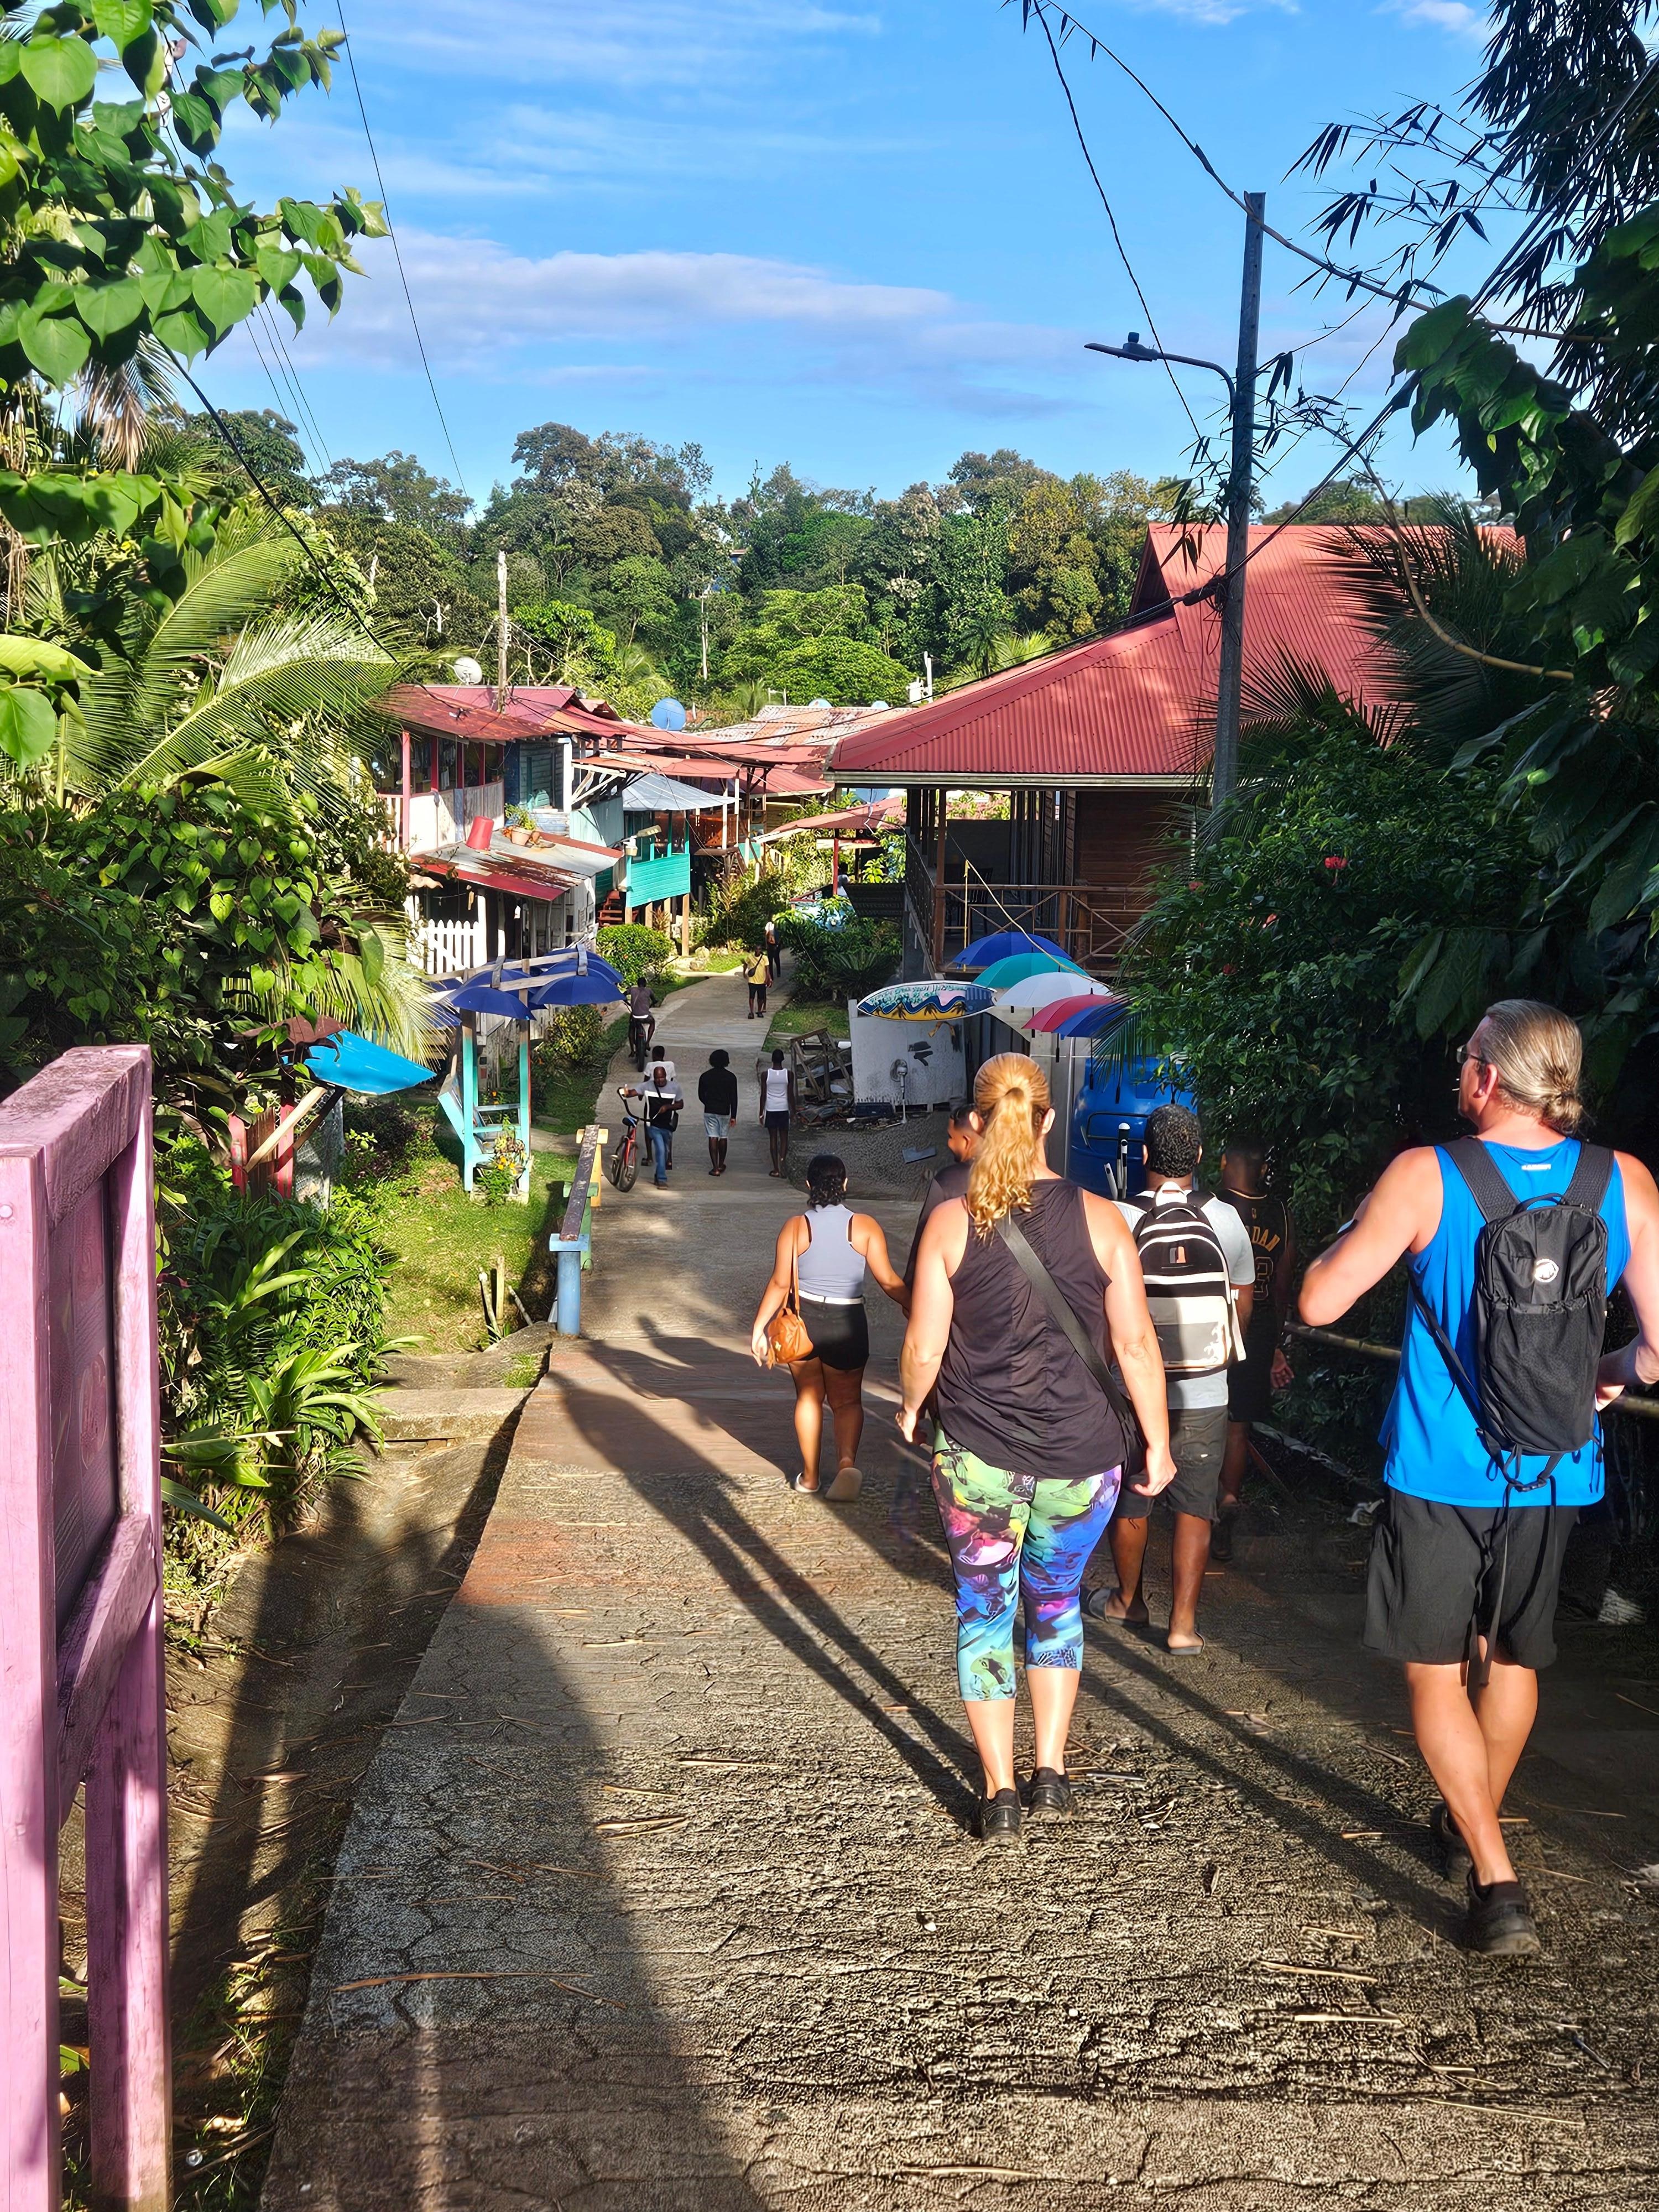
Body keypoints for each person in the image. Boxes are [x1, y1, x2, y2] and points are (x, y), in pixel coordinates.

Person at [1300, 999, 1659, 1957]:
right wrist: (1611, 1379)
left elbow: (1319, 1297)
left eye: (1466, 1058)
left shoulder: (1427, 1176)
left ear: (1488, 1078)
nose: (1459, 1071)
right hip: (1556, 1469)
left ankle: (1497, 1879)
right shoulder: (1623, 1182)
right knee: (1511, 1658)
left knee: (1433, 1667)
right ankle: (1471, 1823)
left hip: (1439, 1464)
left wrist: (1348, 1236)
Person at [900, 1055, 1175, 1843]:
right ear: (1050, 1120)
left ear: (978, 1126)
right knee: (1056, 1607)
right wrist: (1156, 1443)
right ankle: (1050, 1771)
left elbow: (924, 1345)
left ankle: (999, 1793)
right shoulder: (1105, 1219)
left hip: (980, 1456)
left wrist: (914, 1408)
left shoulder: (953, 1221)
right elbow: (1136, 1346)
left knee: (986, 1611)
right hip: (1084, 1461)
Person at [1086, 1103, 1254, 1654]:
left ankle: (1128, 1601)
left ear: (1143, 1155)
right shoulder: (1226, 1219)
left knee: (1134, 1499)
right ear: (1201, 1157)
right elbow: (1242, 1304)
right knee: (1194, 1506)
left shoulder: (1118, 1217)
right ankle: (1183, 1626)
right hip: (1207, 1387)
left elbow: (1101, 1304)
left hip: (1136, 1389)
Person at [750, 1153, 909, 1501]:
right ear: (845, 1184)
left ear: (808, 1186)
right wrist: (917, 1307)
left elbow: (779, 1283)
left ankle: (809, 1477)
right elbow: (888, 1281)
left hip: (804, 1323)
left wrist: (760, 1328)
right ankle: (846, 1464)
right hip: (848, 1324)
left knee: (808, 1398)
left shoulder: (795, 1227)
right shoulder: (864, 1226)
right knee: (848, 1402)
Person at [1212, 1135, 1297, 1563]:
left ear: (1225, 1161)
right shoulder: (1280, 1213)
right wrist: (1275, 1345)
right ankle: (1227, 1501)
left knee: (1195, 1416)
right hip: (1258, 1333)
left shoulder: (1210, 1207)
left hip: (1210, 1329)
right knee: (1237, 1428)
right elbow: (1282, 1288)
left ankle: (1189, 1502)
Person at [903, 1103, 979, 1292]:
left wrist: (910, 1285)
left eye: (951, 1137)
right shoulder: (1014, 1175)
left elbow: (925, 1235)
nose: (949, 1144)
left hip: (956, 1285)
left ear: (967, 1141)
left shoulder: (949, 1181)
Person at [619, 1063, 682, 1188]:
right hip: (653, 1124)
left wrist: (668, 1107)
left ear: (666, 1077)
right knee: (661, 1149)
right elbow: (633, 1093)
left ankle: (658, 1174)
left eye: (662, 1078)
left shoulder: (675, 1088)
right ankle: (662, 1179)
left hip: (668, 1125)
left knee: (664, 1153)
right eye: (657, 1078)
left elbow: (680, 1105)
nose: (659, 1081)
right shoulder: (647, 1086)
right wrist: (625, 1092)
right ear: (654, 1078)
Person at [698, 1047, 738, 1176]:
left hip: (710, 1110)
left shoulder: (705, 1076)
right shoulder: (731, 1078)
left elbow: (701, 1095)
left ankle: (714, 1167)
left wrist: (708, 1103)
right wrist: (734, 1116)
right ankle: (721, 1164)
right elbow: (734, 1098)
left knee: (712, 1136)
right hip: (725, 1110)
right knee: (724, 1136)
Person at [759, 1046, 795, 1177]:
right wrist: (794, 1112)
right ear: (783, 1060)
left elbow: (763, 1095)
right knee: (784, 1138)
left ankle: (776, 1169)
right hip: (784, 1109)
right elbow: (791, 1095)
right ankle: (783, 1162)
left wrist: (761, 1113)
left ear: (772, 1060)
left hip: (771, 1109)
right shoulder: (789, 1075)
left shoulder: (765, 1075)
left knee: (773, 1138)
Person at [627, 978, 656, 1068]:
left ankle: (632, 1050)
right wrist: (651, 1005)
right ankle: (647, 1043)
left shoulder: (632, 989)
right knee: (653, 1022)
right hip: (645, 1017)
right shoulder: (649, 991)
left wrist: (628, 1004)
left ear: (637, 983)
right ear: (646, 984)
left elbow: (623, 995)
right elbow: (654, 1000)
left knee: (631, 1029)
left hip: (635, 1017)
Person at [745, 946, 770, 1019]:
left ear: (761, 950)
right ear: (754, 950)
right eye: (756, 949)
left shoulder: (765, 958)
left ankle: (759, 1011)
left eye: (759, 949)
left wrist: (768, 978)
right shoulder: (750, 957)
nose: (758, 951)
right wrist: (745, 973)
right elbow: (746, 964)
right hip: (752, 980)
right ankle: (752, 1012)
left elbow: (767, 969)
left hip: (762, 981)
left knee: (761, 998)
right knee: (752, 997)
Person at [764, 914, 781, 983]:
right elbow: (766, 935)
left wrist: (778, 945)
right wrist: (766, 944)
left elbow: (780, 936)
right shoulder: (768, 925)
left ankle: (778, 972)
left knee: (777, 959)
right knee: (770, 961)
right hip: (770, 945)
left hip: (776, 945)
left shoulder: (778, 925)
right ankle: (771, 976)